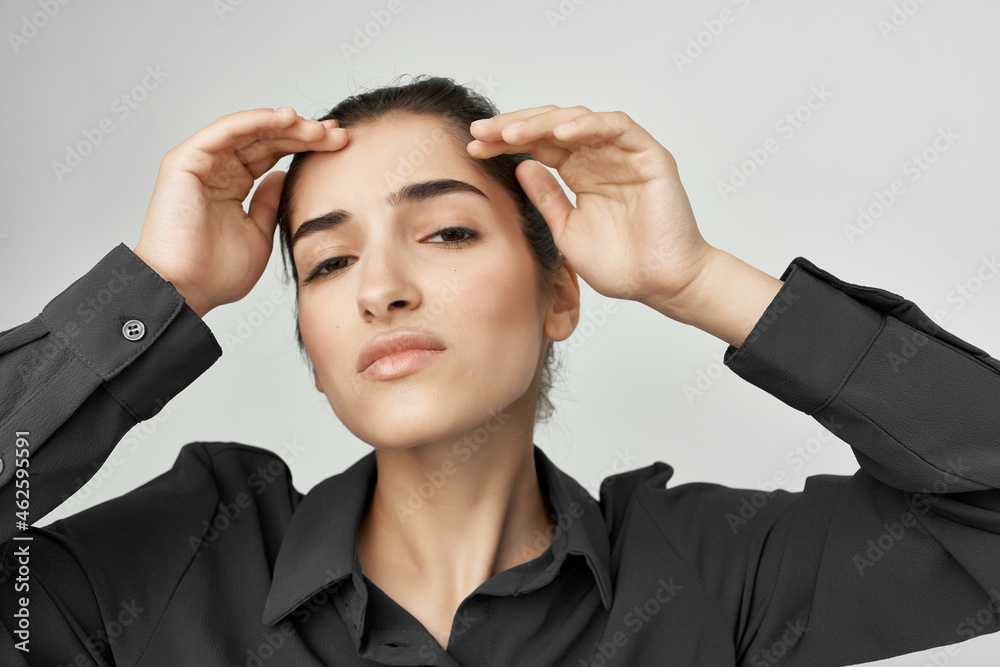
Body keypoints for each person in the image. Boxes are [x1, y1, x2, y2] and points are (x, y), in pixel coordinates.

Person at [0, 74, 997, 666]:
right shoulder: (167, 566)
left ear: (560, 293)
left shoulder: (709, 572)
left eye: (442, 231)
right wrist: (156, 290)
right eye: (329, 260)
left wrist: (694, 280)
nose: (378, 289)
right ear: (311, 345)